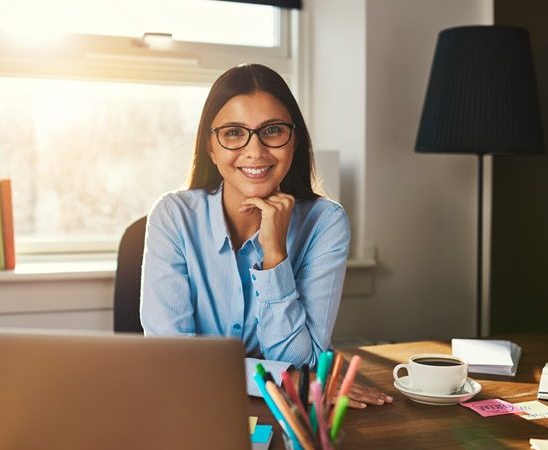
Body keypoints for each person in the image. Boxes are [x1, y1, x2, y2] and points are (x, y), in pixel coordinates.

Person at [141, 63, 390, 408]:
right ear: (211, 148)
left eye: (272, 130)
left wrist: (275, 256)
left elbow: (302, 361)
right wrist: (289, 380)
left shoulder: (326, 222)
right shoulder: (173, 216)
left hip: (289, 412)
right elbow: (174, 360)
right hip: (194, 403)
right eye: (232, 133)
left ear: (294, 140)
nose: (254, 151)